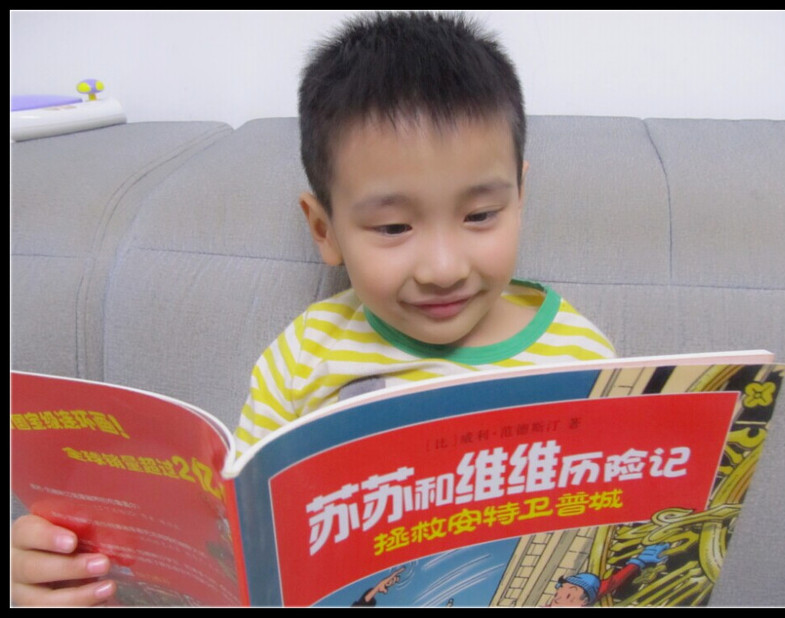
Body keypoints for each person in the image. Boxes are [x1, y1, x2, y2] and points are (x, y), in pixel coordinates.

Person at [11, 11, 614, 606]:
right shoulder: (304, 358)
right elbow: (240, 543)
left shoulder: (585, 358)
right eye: (394, 226)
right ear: (324, 230)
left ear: (520, 197)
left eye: (480, 215)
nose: (443, 268)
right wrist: (82, 572)